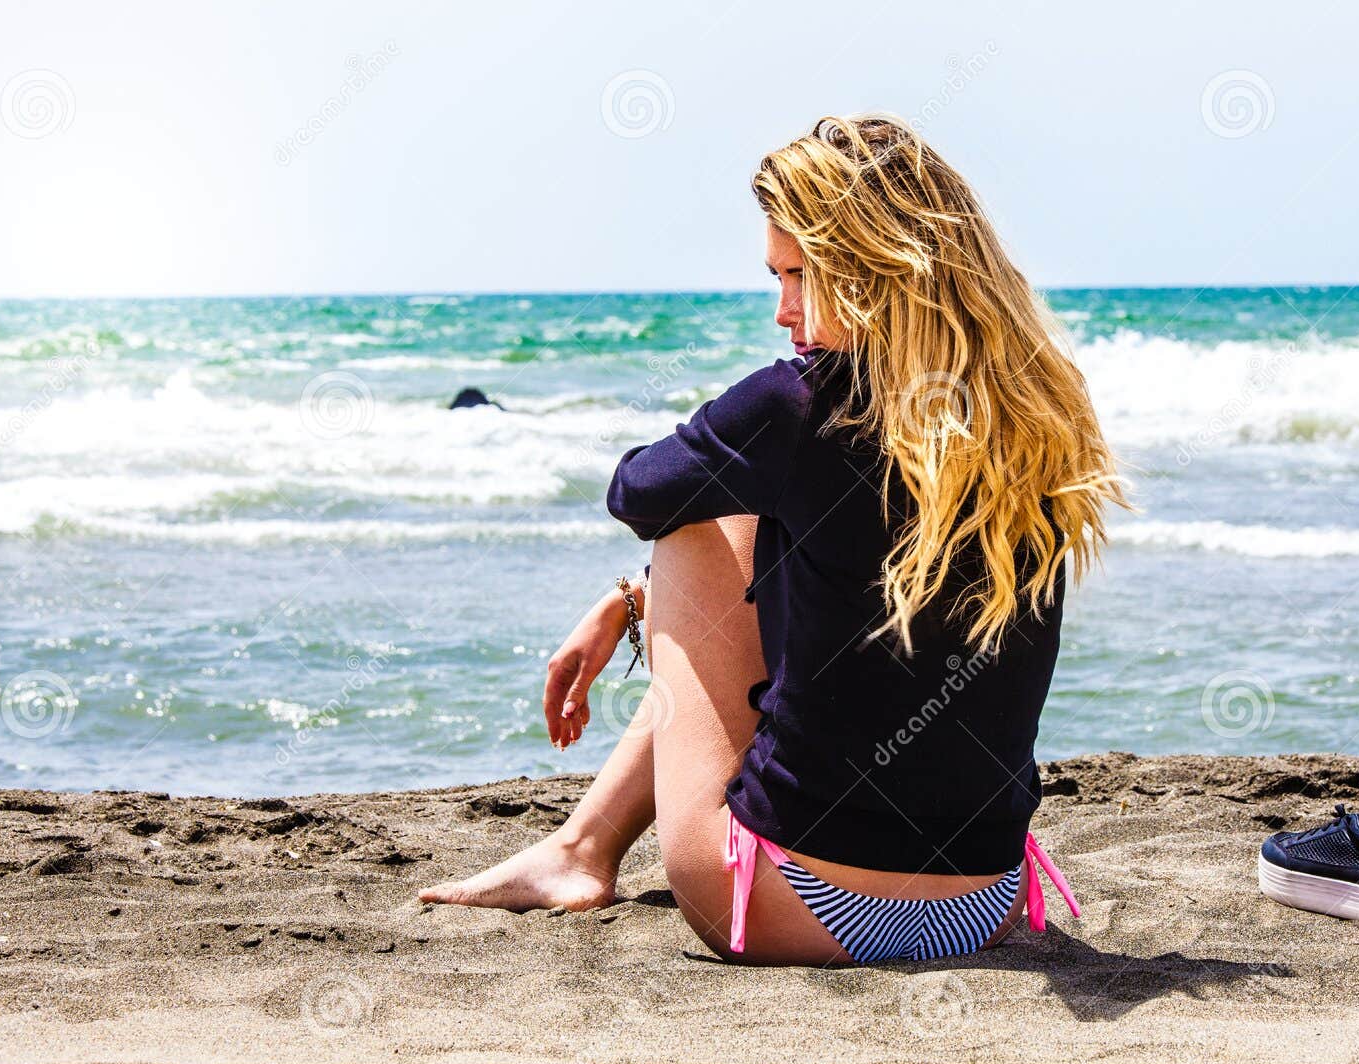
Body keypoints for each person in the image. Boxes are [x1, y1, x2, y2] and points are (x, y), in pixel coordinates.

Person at [420, 114, 1127, 966]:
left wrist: (631, 596)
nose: (783, 309)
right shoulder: (1035, 415)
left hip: (798, 904)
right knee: (786, 513)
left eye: (800, 275)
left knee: (704, 519)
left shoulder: (794, 406)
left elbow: (636, 490)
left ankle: (581, 852)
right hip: (988, 901)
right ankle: (576, 847)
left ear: (870, 269)